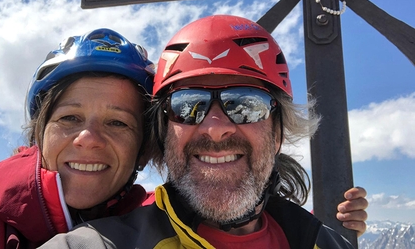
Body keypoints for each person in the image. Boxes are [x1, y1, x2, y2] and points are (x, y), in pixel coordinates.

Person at [40, 15, 367, 248]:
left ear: (278, 132)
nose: (215, 128)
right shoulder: (97, 244)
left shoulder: (325, 242)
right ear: (164, 133)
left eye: (245, 104)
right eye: (188, 105)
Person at [0, 28, 155, 248]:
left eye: (117, 122)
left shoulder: (162, 226)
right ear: (39, 134)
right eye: (70, 118)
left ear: (143, 151)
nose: (88, 138)